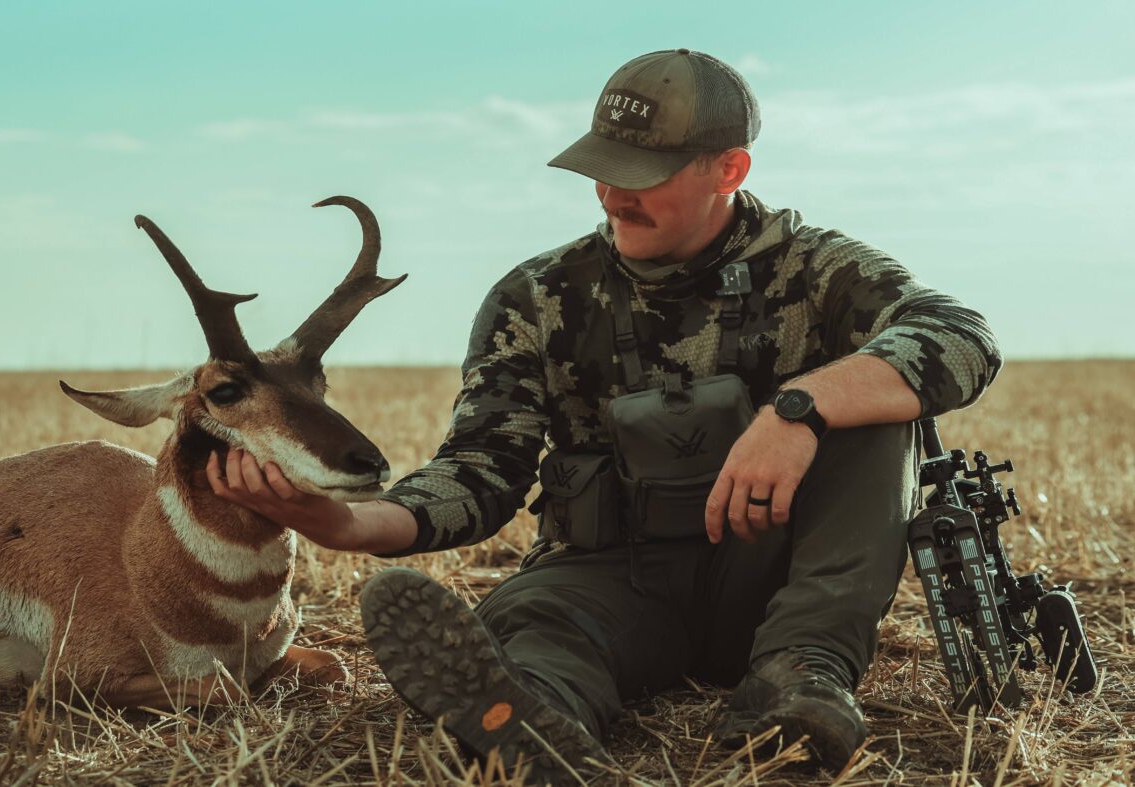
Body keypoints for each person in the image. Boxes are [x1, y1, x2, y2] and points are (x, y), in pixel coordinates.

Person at [204, 49, 1002, 782]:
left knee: (875, 402)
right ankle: (531, 726)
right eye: (602, 169)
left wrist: (800, 409)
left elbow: (961, 336)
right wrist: (349, 523)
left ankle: (801, 686)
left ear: (730, 168)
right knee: (530, 626)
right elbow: (483, 467)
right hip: (614, 582)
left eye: (643, 174)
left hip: (777, 586)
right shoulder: (537, 297)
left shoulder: (819, 270)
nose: (613, 193)